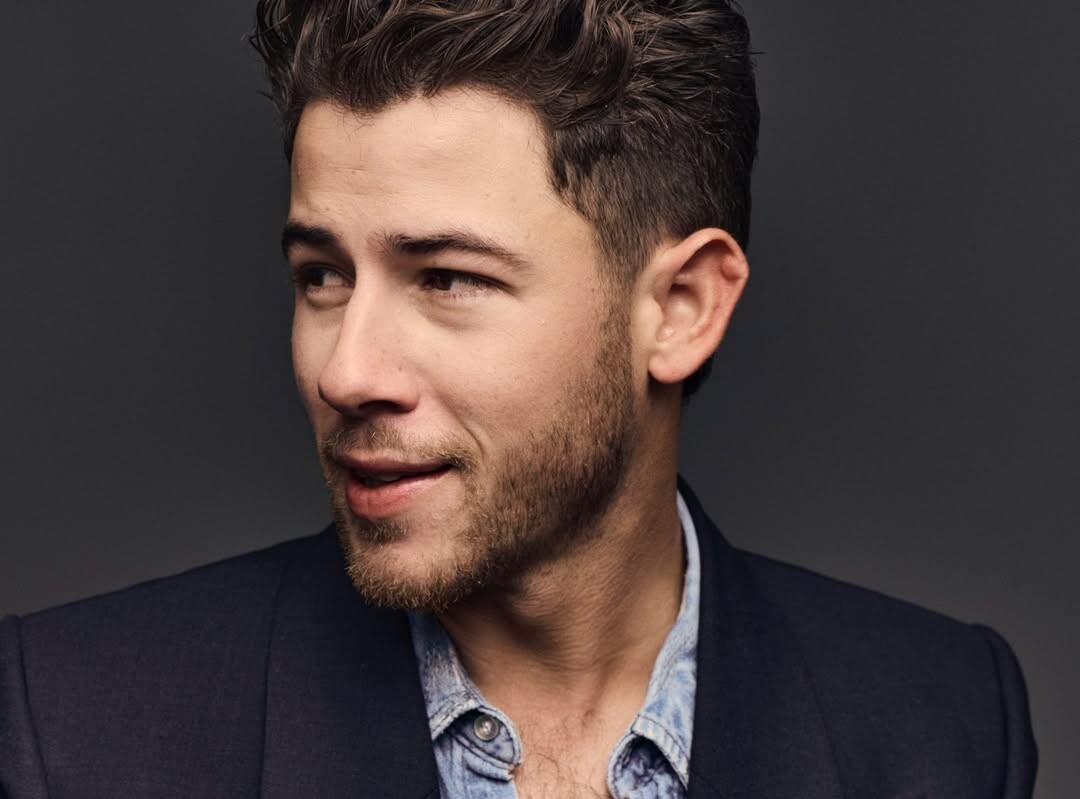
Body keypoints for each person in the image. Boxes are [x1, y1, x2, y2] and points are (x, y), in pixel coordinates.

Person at [0, 1, 1037, 797]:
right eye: (322, 274)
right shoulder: (76, 727)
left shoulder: (945, 723)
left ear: (681, 307)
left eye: (448, 278)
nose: (345, 372)